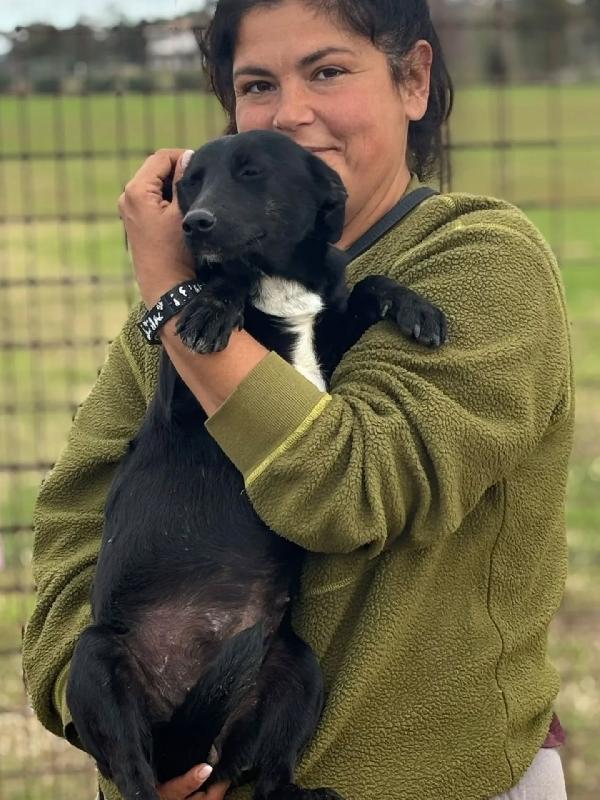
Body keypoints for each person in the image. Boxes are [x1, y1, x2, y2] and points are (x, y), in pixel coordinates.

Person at [22, 1, 573, 799]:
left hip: (429, 780)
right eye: (256, 84)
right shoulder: (190, 304)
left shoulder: (481, 262)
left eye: (327, 71)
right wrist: (124, 725)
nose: (288, 114)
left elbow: (352, 491)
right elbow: (72, 521)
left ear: (412, 79)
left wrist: (172, 299)